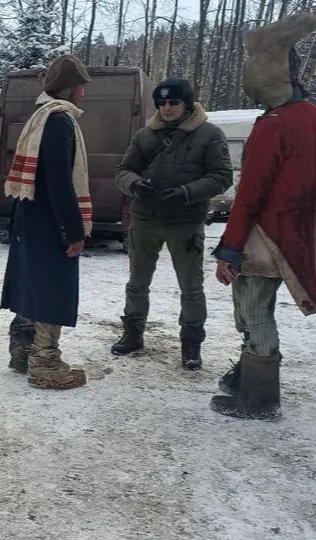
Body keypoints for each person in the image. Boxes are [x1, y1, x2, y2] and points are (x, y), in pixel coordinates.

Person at [210, 13, 316, 420]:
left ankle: (258, 397)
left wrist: (230, 247)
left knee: (253, 310)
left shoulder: (273, 125)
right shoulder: (310, 116)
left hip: (265, 234)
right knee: (258, 308)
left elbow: (250, 195)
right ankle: (247, 377)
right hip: (296, 230)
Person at [112, 78, 233, 370]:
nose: (166, 108)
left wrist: (187, 193)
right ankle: (133, 333)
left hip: (185, 222)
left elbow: (222, 176)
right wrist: (135, 184)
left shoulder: (209, 134)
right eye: (162, 103)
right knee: (137, 283)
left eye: (173, 102)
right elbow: (123, 170)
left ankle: (191, 344)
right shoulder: (145, 134)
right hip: (145, 219)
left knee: (191, 287)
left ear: (187, 103)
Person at [0, 54, 93, 390]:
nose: (83, 93)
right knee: (53, 287)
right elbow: (60, 181)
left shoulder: (40, 116)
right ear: (66, 88)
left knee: (33, 282)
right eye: (79, 86)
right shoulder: (59, 120)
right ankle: (45, 363)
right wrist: (73, 230)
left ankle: (25, 352)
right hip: (50, 221)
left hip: (32, 216)